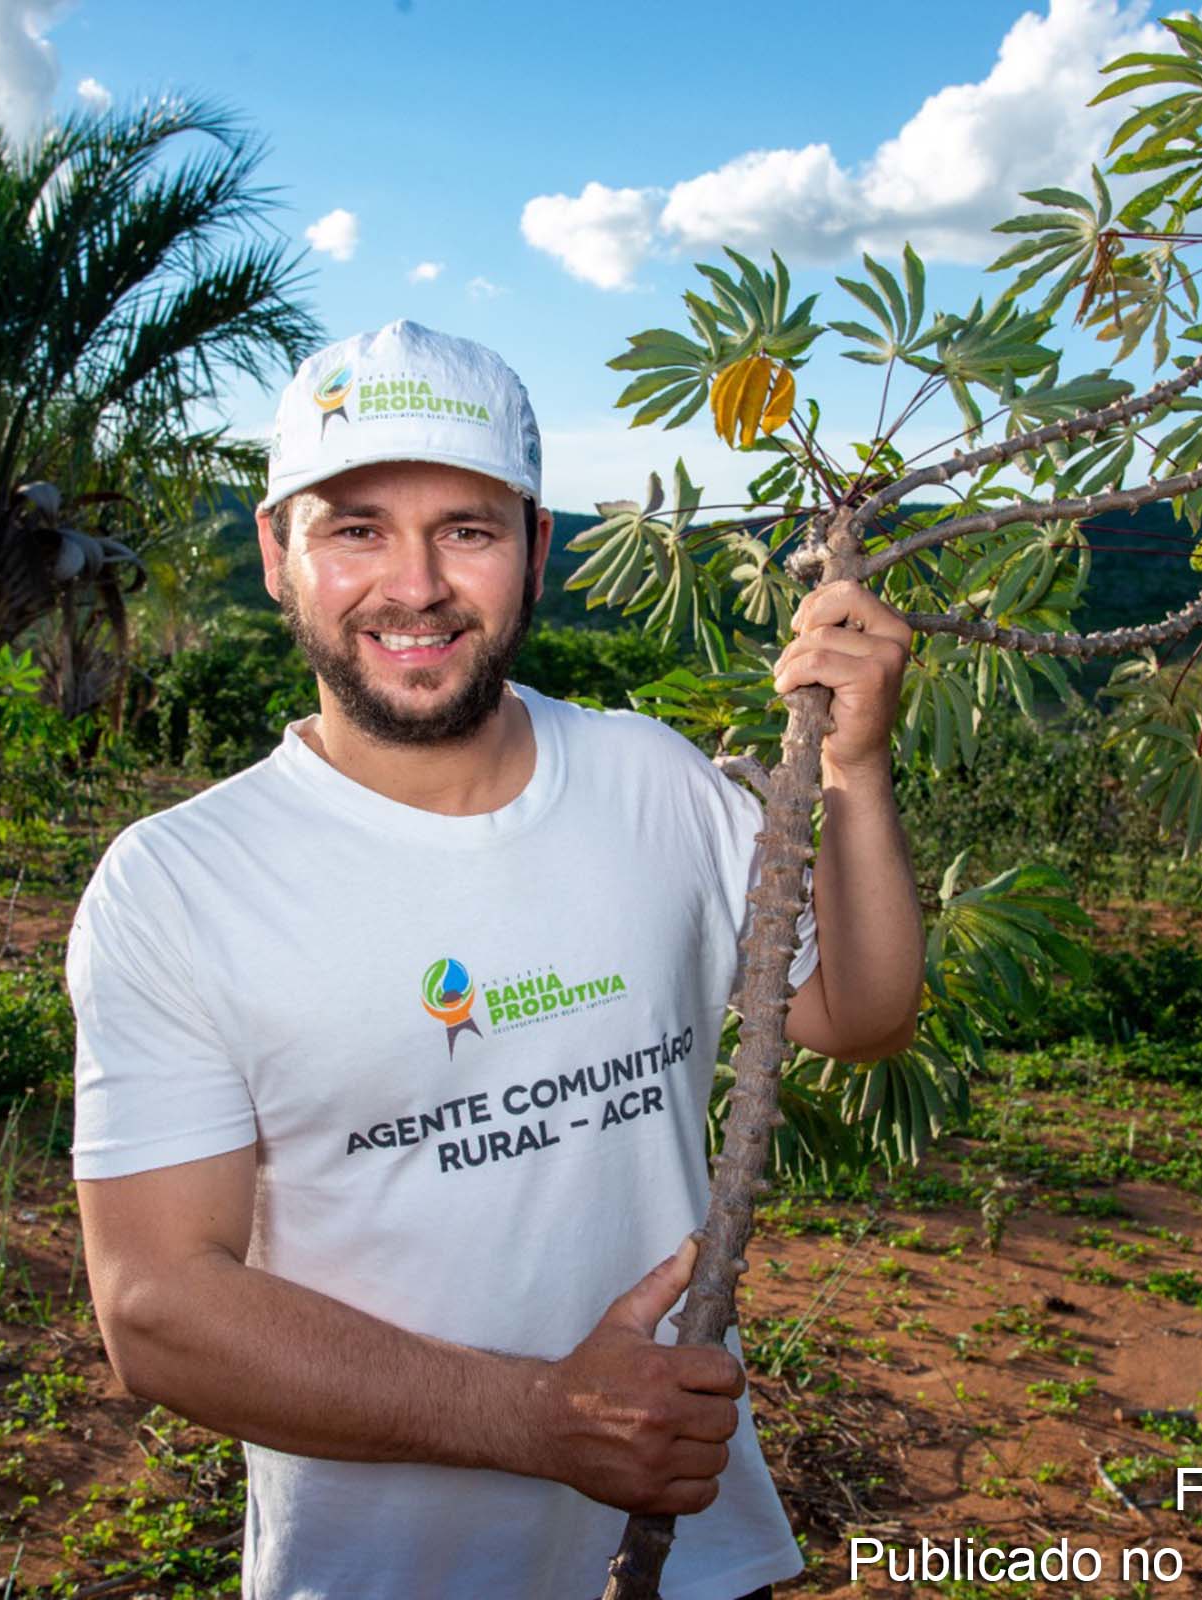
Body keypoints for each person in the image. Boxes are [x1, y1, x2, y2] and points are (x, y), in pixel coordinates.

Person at [69, 320, 922, 1599]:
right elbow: (154, 1308)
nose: (412, 586)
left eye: (465, 529)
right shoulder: (180, 882)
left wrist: (854, 767)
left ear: (534, 547)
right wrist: (541, 1418)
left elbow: (856, 1013)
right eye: (355, 529)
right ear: (276, 555)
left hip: (691, 1553)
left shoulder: (656, 781)